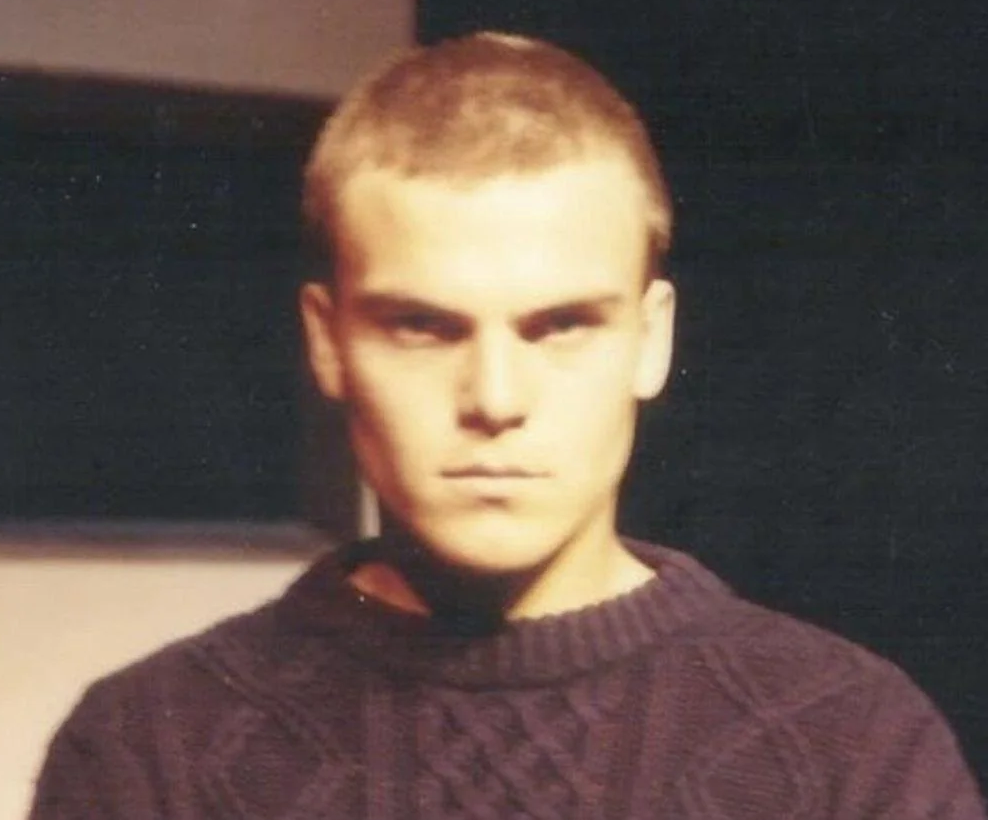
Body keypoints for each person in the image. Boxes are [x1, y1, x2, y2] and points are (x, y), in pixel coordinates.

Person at [30, 31, 984, 820]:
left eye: (562, 326)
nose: (494, 397)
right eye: (422, 327)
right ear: (327, 342)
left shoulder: (853, 746)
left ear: (651, 342)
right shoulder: (148, 751)